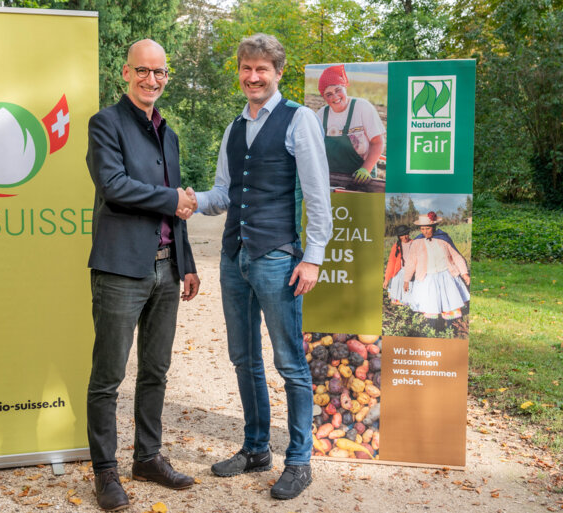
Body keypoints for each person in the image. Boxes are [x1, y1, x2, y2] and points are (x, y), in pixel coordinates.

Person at [193, 33, 332, 500]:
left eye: (262, 69)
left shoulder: (300, 120)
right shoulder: (234, 127)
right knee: (243, 357)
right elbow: (221, 195)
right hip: (234, 258)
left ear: (277, 73)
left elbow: (318, 194)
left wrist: (313, 256)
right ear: (240, 72)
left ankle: (299, 460)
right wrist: (184, 200)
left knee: (290, 362)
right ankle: (255, 448)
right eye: (246, 69)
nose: (253, 77)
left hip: (277, 257)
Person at [85, 39, 200, 511]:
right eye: (143, 71)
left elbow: (179, 207)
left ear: (166, 77)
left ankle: (148, 457)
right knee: (108, 377)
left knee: (156, 371)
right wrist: (172, 199)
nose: (151, 80)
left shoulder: (168, 134)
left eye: (160, 72)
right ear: (126, 73)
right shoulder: (105, 123)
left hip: (165, 271)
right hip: (120, 269)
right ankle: (105, 472)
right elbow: (112, 187)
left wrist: (186, 262)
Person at [315, 64, 386, 186]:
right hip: (332, 178)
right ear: (323, 97)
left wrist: (366, 169)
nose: (335, 97)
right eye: (329, 94)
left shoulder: (362, 107)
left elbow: (378, 142)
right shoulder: (321, 115)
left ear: (345, 87)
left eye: (338, 90)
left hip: (361, 178)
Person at [403, 212, 470, 329]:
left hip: (446, 276)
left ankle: (450, 329)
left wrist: (464, 273)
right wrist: (406, 279)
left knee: (449, 303)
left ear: (433, 227)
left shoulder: (443, 239)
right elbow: (411, 262)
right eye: (422, 229)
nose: (425, 232)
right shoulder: (417, 242)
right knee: (431, 305)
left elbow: (456, 256)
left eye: (427, 228)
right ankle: (434, 330)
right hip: (427, 278)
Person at [383, 225, 413, 306]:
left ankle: (409, 304)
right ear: (399, 236)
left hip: (411, 271)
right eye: (402, 235)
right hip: (400, 272)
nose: (405, 237)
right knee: (399, 290)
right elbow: (391, 262)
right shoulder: (396, 246)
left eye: (406, 234)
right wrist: (387, 279)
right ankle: (401, 304)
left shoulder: (414, 243)